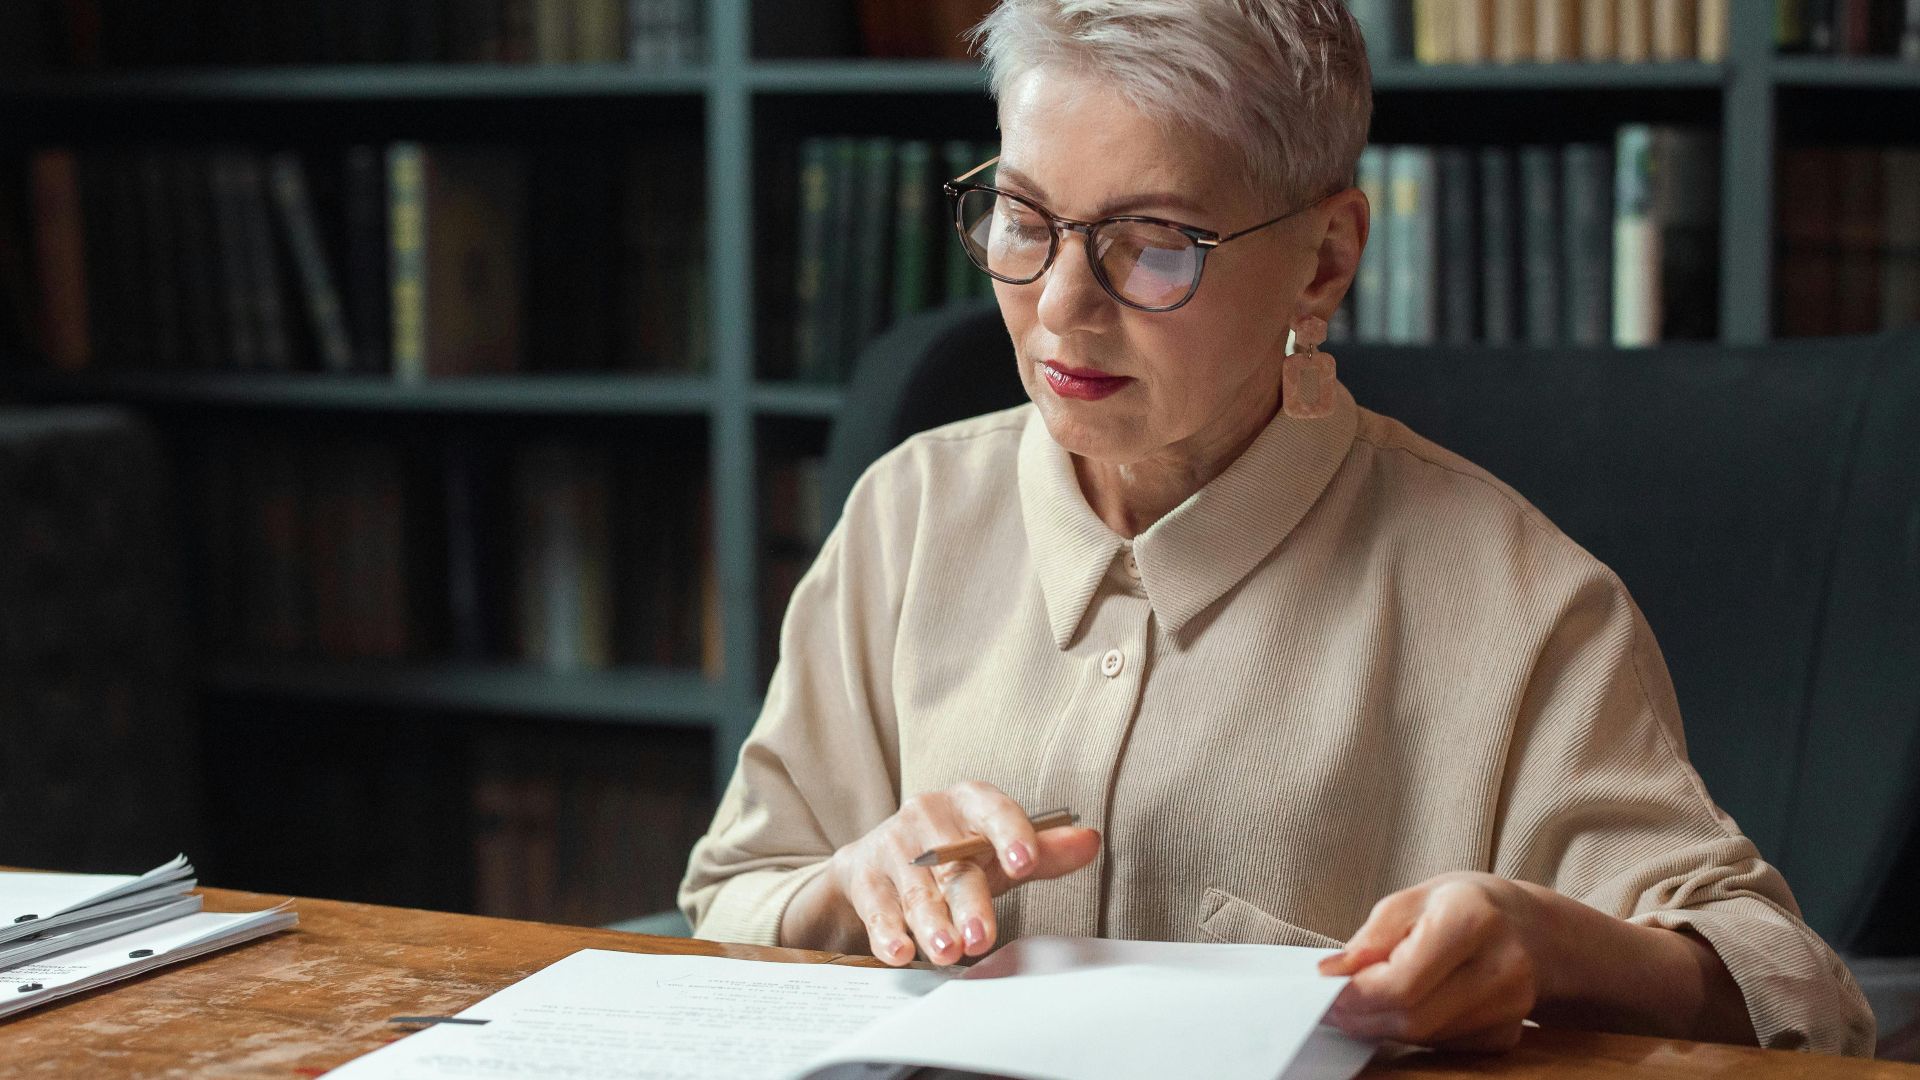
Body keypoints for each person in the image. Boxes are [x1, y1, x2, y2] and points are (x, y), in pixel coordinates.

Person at [680, 0, 1875, 1056]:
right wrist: (849, 884)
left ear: (1325, 262)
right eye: (1021, 216)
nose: (1058, 306)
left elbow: (1804, 997)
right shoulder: (909, 514)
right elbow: (728, 898)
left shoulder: (1520, 603)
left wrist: (1555, 950)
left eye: (1153, 245)